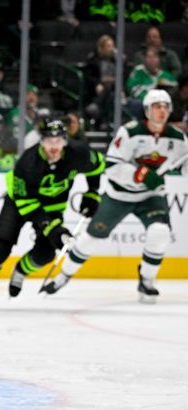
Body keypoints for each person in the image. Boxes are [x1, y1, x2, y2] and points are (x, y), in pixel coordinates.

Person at [42, 90, 188, 302]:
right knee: (91, 239)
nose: (162, 111)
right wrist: (140, 174)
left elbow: (183, 166)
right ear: (147, 110)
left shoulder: (178, 139)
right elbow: (111, 166)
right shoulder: (129, 133)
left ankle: (147, 281)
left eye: (166, 106)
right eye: (157, 106)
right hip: (119, 195)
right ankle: (64, 275)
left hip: (151, 196)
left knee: (160, 232)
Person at [0, 117, 104, 305]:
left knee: (45, 254)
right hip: (19, 203)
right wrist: (51, 228)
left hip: (52, 207)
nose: (54, 146)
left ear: (65, 140)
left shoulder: (78, 153)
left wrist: (92, 193)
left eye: (58, 141)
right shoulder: (27, 163)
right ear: (41, 141)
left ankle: (20, 270)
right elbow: (27, 204)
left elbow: (98, 165)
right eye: (48, 141)